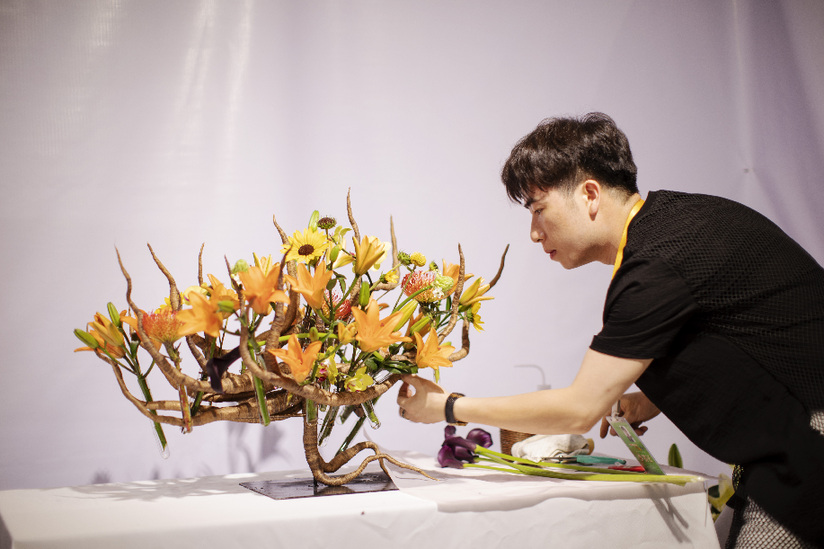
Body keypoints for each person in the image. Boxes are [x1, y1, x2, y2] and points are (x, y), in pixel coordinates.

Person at [396, 113, 824, 548]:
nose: (534, 233)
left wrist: (448, 407)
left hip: (808, 452)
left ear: (589, 194)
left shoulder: (655, 265)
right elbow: (744, 334)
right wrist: (648, 401)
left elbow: (580, 409)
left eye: (539, 210)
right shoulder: (680, 221)